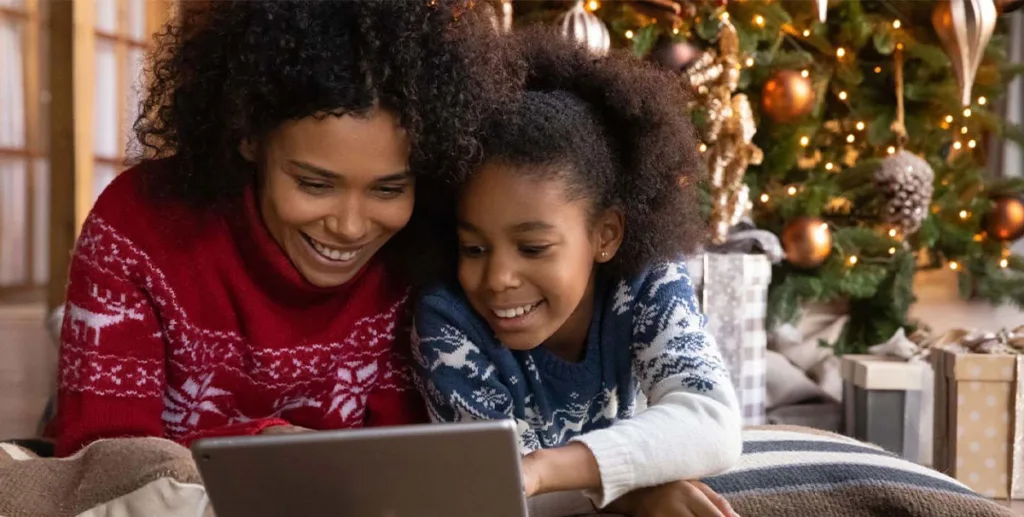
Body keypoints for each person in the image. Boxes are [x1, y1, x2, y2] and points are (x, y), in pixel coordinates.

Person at [50, 0, 511, 458]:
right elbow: (100, 460)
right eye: (314, 184)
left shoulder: (420, 249)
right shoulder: (138, 226)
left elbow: (409, 461)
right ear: (249, 136)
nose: (350, 228)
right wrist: (261, 448)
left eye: (388, 190)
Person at [412, 28, 743, 517]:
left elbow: (712, 420)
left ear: (606, 235)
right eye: (474, 247)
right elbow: (496, 490)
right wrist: (633, 489)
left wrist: (546, 470)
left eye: (533, 246)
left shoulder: (646, 281)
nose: (498, 277)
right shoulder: (447, 323)